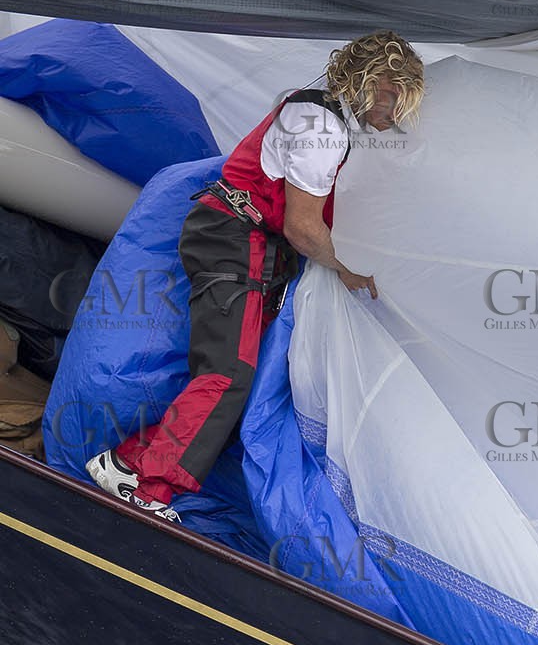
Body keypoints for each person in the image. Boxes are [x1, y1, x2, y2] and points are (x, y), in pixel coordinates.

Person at [86, 31, 424, 523]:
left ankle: (130, 461)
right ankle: (149, 487)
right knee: (227, 375)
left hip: (234, 236)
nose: (394, 115)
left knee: (226, 371)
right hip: (234, 238)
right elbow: (302, 228)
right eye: (394, 98)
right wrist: (350, 270)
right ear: (373, 82)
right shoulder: (321, 128)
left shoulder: (319, 112)